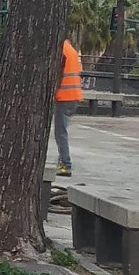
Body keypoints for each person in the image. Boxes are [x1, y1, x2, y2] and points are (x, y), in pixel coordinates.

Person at [55, 37, 83, 176]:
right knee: (62, 131)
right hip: (74, 96)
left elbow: (57, 74)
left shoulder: (60, 50)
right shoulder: (71, 50)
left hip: (64, 96)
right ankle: (62, 161)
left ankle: (66, 164)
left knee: (60, 132)